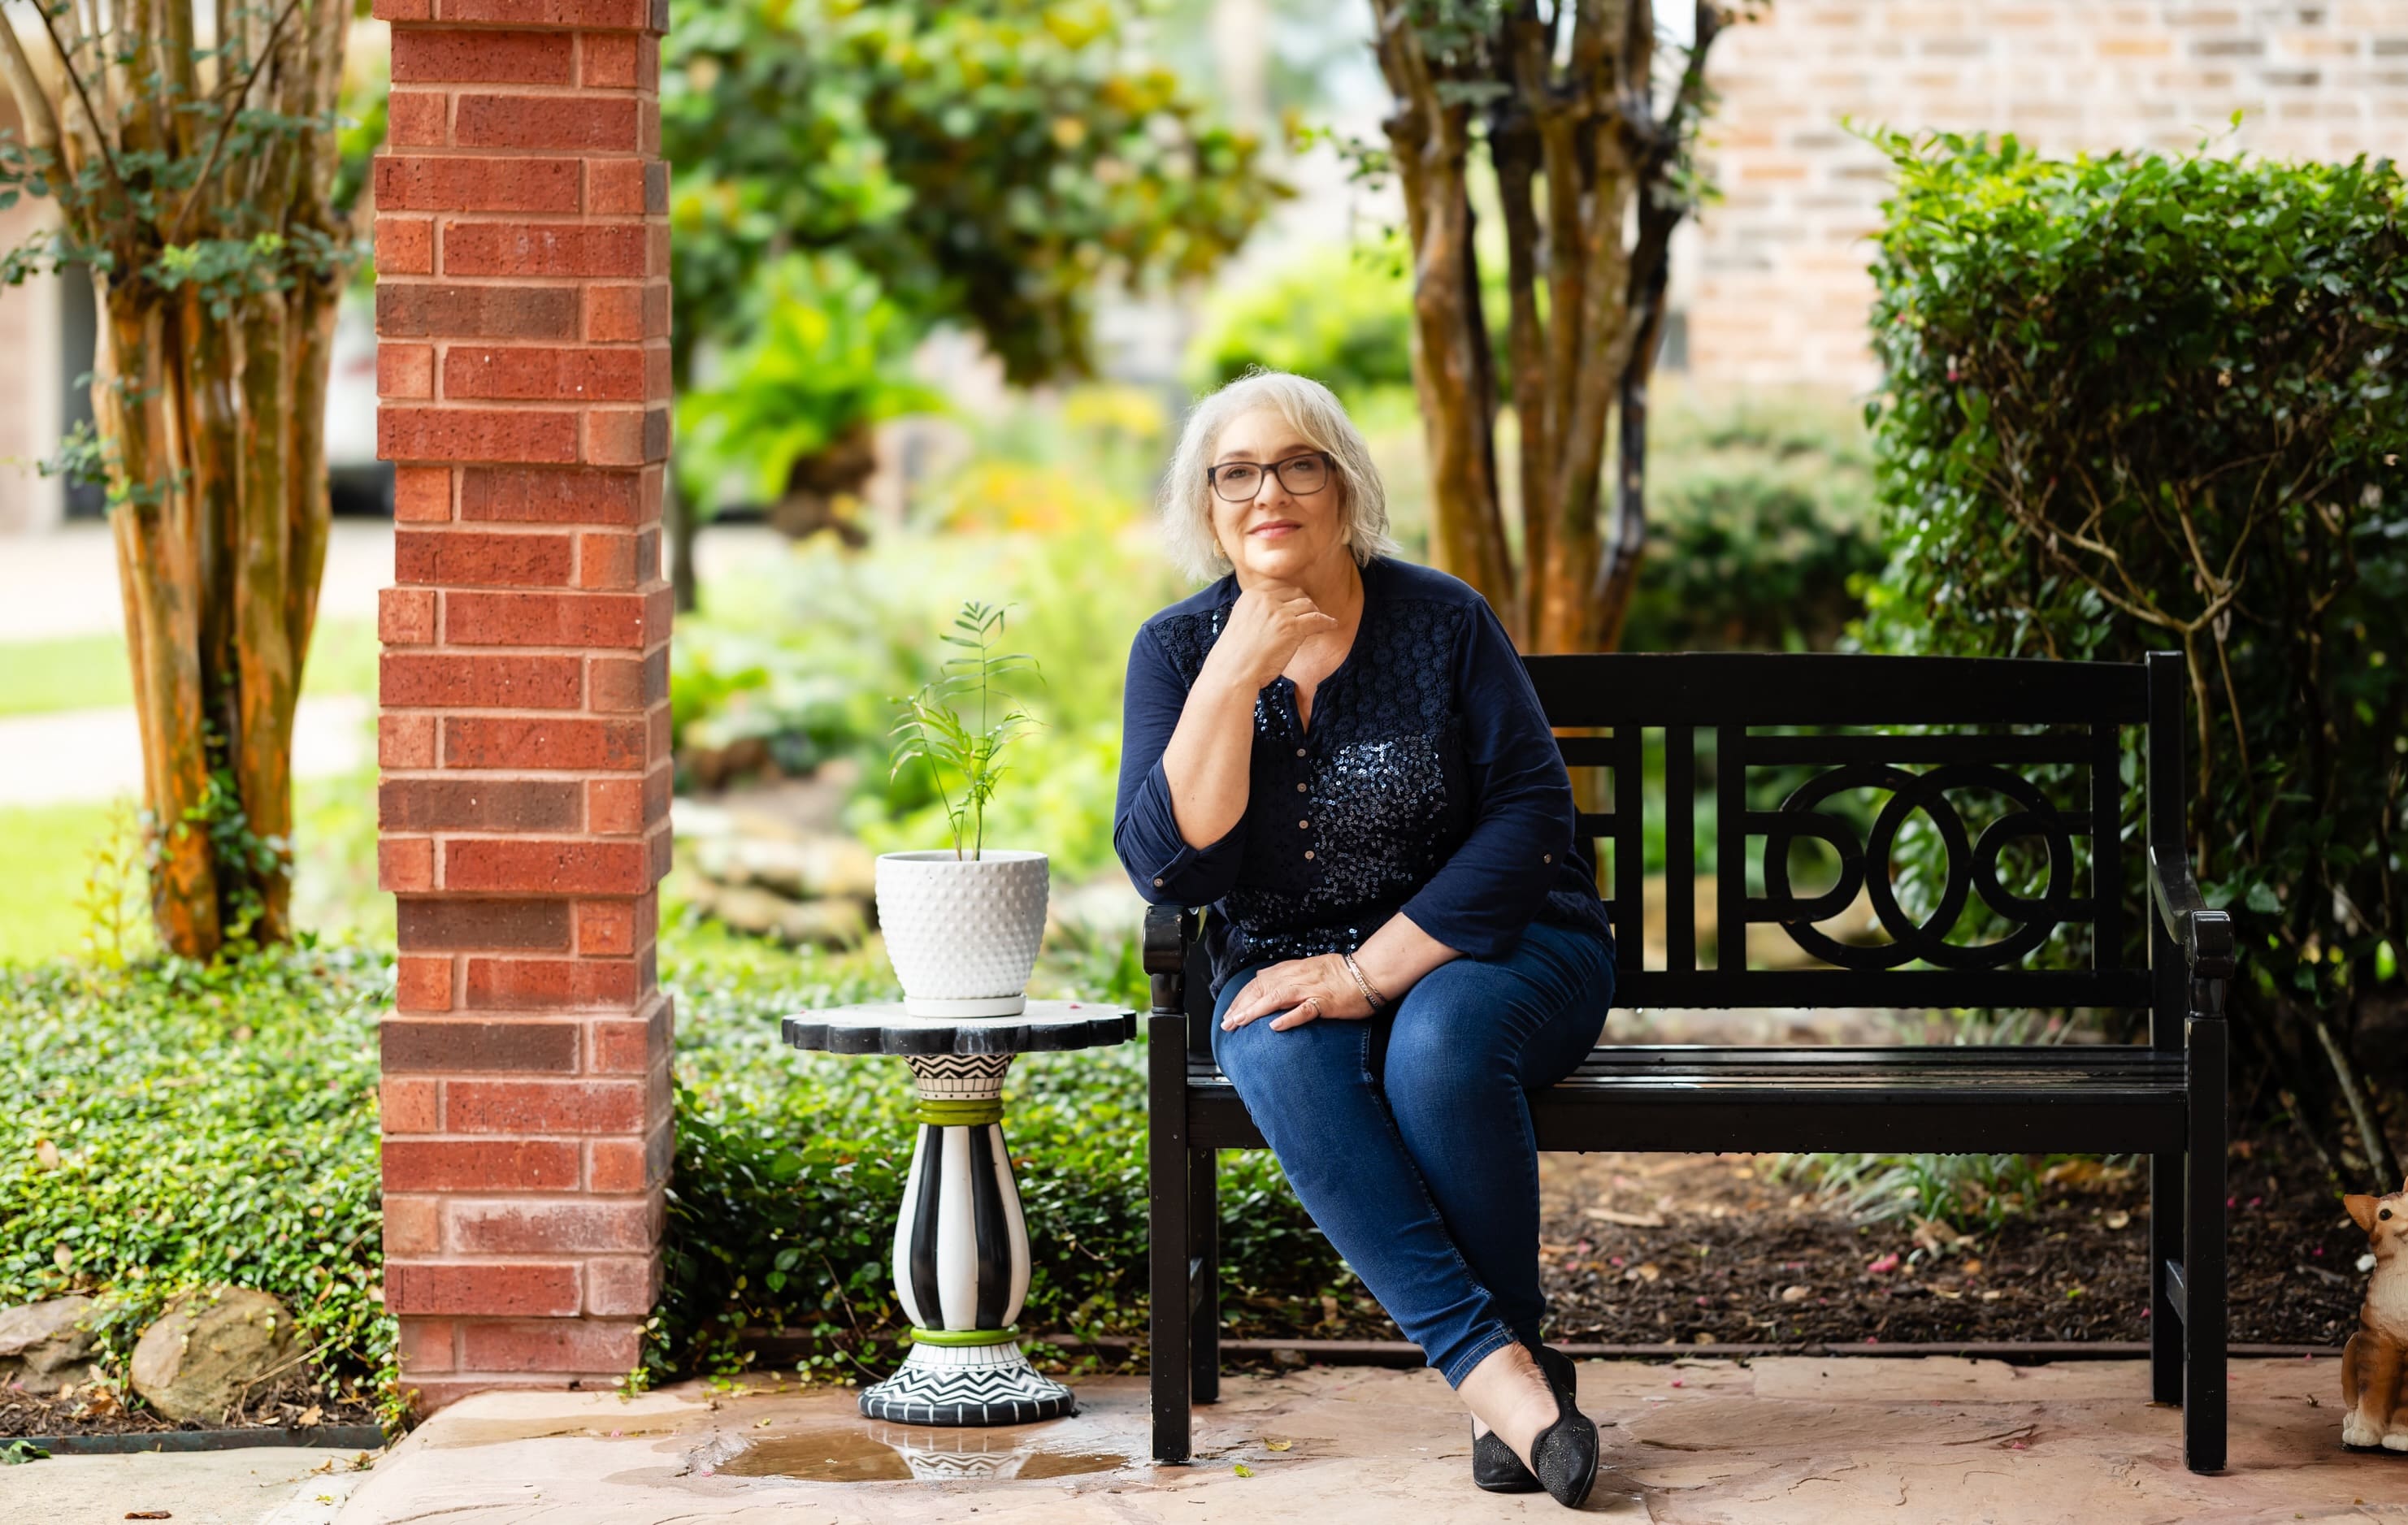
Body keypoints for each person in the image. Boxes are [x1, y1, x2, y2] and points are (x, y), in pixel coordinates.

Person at [1113, 368, 1619, 1507]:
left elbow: (1535, 819)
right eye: (1234, 473)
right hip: (1282, 953)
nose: (1266, 493)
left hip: (1501, 944)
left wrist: (1368, 968)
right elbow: (1167, 864)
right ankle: (1510, 1380)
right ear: (1205, 506)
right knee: (1281, 1043)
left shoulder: (1441, 620)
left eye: (1297, 465)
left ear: (1346, 488)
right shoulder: (1176, 648)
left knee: (1434, 1049)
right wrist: (1234, 670)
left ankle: (1504, 1369)